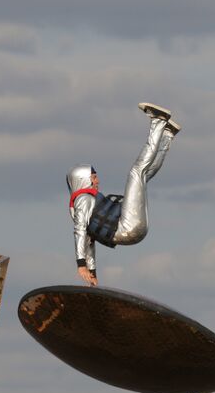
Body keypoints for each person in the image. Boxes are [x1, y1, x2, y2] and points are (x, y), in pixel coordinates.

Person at [66, 103, 180, 286]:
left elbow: (90, 242)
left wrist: (93, 271)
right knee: (136, 172)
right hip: (128, 227)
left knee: (144, 175)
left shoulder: (85, 203)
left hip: (132, 229)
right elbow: (80, 232)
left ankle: (167, 135)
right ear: (82, 179)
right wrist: (81, 265)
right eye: (93, 178)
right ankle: (158, 122)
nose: (97, 181)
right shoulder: (83, 199)